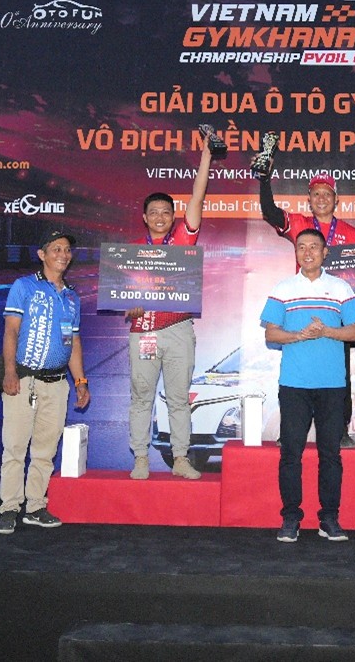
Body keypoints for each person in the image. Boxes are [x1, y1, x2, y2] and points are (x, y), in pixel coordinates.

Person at [260, 228, 355, 543]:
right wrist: (298, 336)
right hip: (294, 385)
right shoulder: (283, 288)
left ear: (325, 252)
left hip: (332, 386)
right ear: (296, 253)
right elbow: (271, 334)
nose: (307, 253)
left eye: (314, 247)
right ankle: (290, 518)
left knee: (330, 454)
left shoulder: (341, 288)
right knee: (290, 454)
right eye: (301, 247)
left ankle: (329, 518)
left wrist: (326, 332)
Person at [126, 133, 215, 481]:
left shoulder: (182, 239)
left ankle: (180, 458)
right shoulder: (131, 251)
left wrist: (206, 155)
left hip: (178, 329)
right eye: (154, 213)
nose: (160, 217)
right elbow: (123, 298)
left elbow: (198, 195)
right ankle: (140, 458)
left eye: (166, 212)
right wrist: (130, 308)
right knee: (142, 397)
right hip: (145, 331)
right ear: (144, 217)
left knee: (179, 398)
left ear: (174, 216)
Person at [258, 164, 355, 449]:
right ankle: (289, 430)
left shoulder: (351, 232)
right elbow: (269, 211)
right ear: (309, 199)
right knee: (295, 369)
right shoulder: (299, 223)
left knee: (341, 371)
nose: (321, 198)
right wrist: (264, 179)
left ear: (336, 199)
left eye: (327, 193)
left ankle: (341, 429)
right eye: (316, 193)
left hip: (336, 309)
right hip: (300, 307)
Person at [0, 229, 90, 535]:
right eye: (56, 249)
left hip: (57, 384)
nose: (63, 254)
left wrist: (80, 381)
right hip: (25, 380)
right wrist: (10, 372)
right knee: (15, 447)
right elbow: (11, 331)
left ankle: (35, 506)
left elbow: (73, 342)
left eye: (67, 250)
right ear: (42, 254)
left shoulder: (72, 297)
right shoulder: (24, 286)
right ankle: (9, 508)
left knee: (46, 450)